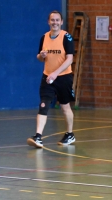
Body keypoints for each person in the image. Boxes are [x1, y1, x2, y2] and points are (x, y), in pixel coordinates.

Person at [27, 10, 76, 148]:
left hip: (63, 77)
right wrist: (41, 56)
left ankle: (70, 134)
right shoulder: (44, 37)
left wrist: (56, 73)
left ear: (61, 22)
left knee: (65, 107)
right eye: (52, 20)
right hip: (48, 77)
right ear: (48, 22)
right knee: (43, 105)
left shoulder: (67, 37)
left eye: (57, 20)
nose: (54, 22)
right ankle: (38, 137)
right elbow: (39, 58)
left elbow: (70, 59)